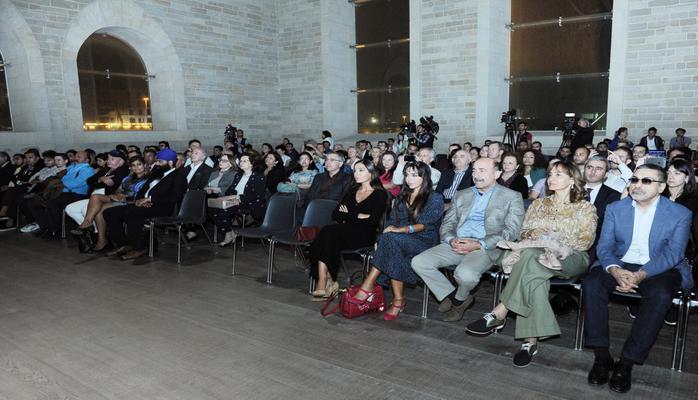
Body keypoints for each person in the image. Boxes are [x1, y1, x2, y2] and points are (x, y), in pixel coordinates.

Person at [466, 160, 597, 368]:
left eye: (558, 175)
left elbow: (585, 242)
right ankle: (530, 342)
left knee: (528, 259)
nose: (551, 178)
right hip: (533, 254)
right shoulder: (538, 204)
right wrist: (533, 233)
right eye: (550, 174)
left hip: (570, 257)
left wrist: (553, 239)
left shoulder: (585, 208)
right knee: (533, 270)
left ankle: (501, 310)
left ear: (573, 180)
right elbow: (523, 232)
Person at [583, 164, 693, 393]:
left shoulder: (680, 213)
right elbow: (604, 247)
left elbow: (673, 253)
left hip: (659, 267)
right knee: (592, 283)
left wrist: (641, 274)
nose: (637, 185)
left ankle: (627, 362)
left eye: (646, 181)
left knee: (660, 294)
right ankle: (602, 356)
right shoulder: (616, 208)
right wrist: (615, 270)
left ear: (661, 187)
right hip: (620, 263)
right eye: (634, 180)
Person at [412, 158, 525, 322]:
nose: (476, 175)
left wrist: (479, 244)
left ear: (497, 174)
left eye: (482, 170)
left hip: (485, 247)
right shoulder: (462, 194)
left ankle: (459, 298)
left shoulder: (512, 196)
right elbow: (447, 224)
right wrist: (451, 240)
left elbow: (511, 231)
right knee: (419, 262)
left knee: (465, 275)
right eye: (474, 171)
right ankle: (457, 298)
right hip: (457, 242)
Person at [350, 162, 444, 319]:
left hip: (424, 240)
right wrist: (381, 238)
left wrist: (401, 230)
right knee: (390, 245)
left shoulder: (435, 197)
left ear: (425, 177)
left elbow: (426, 225)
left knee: (390, 241)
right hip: (398, 239)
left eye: (414, 175)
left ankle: (368, 285)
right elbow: (392, 221)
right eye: (407, 175)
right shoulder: (402, 195)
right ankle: (398, 300)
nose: (409, 178)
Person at [309, 160, 388, 300]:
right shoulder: (351, 192)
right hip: (344, 231)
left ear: (371, 173)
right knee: (327, 233)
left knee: (327, 235)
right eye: (355, 170)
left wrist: (348, 214)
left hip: (365, 235)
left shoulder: (380, 194)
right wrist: (358, 215)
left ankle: (327, 281)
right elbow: (335, 214)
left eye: (361, 170)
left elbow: (372, 221)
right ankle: (324, 280)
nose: (356, 174)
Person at [103, 149, 188, 260]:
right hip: (146, 204)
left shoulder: (178, 176)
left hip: (163, 208)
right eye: (157, 161)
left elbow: (174, 197)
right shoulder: (157, 173)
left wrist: (150, 199)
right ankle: (124, 244)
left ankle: (139, 248)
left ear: (170, 162)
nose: (157, 164)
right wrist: (139, 200)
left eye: (160, 161)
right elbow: (143, 190)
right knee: (109, 212)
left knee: (131, 213)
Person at [71, 156, 149, 252]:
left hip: (132, 202)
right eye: (133, 165)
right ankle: (88, 224)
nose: (136, 167)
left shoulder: (148, 179)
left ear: (145, 165)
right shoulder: (128, 178)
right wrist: (116, 195)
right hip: (120, 199)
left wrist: (125, 198)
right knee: (95, 197)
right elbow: (119, 189)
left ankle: (100, 238)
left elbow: (145, 196)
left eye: (139, 164)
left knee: (101, 210)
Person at [26, 151, 96, 238]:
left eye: (79, 157)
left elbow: (75, 183)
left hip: (76, 194)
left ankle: (54, 230)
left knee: (52, 203)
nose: (76, 158)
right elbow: (61, 179)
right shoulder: (71, 167)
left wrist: (61, 183)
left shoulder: (88, 170)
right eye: (76, 156)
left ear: (87, 160)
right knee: (33, 202)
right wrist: (60, 183)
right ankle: (45, 226)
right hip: (62, 192)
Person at [210, 154, 267, 246]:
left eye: (245, 161)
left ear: (252, 163)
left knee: (223, 210)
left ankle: (228, 235)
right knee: (214, 208)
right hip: (234, 201)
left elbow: (257, 195)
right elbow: (231, 189)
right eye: (240, 161)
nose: (241, 163)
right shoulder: (239, 175)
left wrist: (240, 198)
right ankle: (229, 232)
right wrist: (227, 197)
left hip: (249, 203)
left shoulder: (259, 176)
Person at [297, 151, 352, 223]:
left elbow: (344, 200)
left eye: (332, 160)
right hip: (313, 209)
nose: (328, 162)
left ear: (340, 164)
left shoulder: (347, 179)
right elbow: (310, 195)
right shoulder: (318, 177)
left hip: (331, 211)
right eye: (326, 160)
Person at [663, 158, 698, 267]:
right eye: (668, 173)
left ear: (686, 178)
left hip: (683, 245)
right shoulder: (658, 195)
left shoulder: (693, 201)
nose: (671, 176)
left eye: (677, 173)